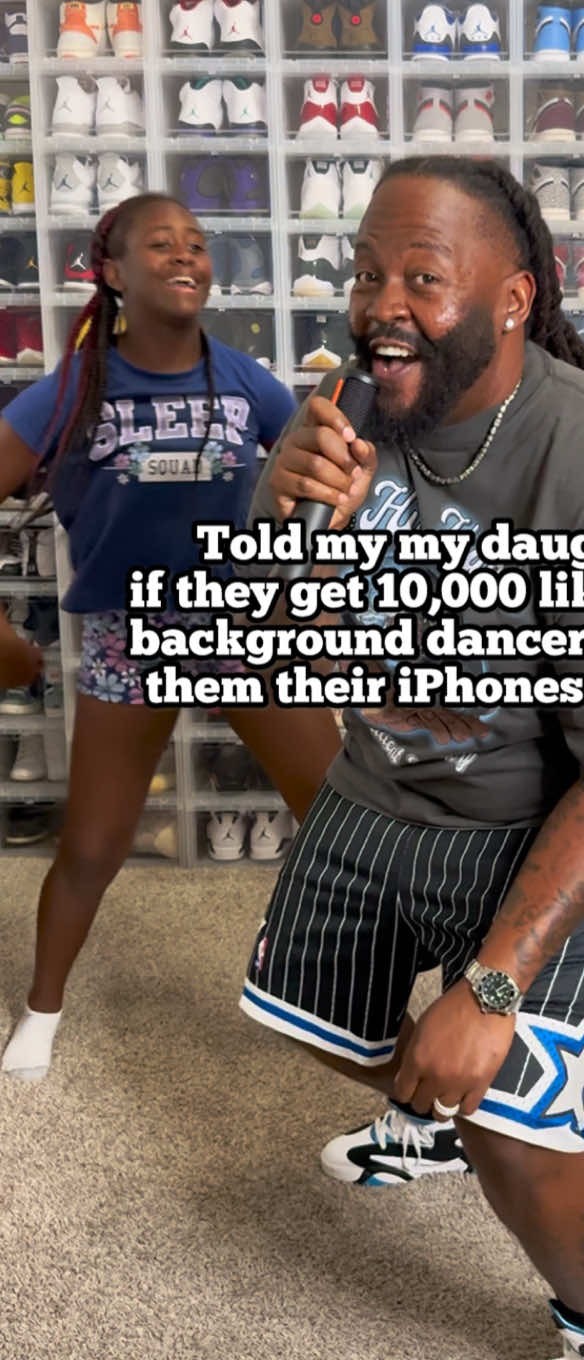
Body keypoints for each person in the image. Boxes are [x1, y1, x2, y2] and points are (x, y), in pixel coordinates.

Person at [238, 155, 584, 1360]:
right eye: (367, 274)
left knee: (510, 1110)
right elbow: (277, 642)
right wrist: (291, 537)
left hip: (583, 807)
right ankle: (436, 1118)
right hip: (395, 775)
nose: (380, 306)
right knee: (306, 1016)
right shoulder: (348, 412)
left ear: (514, 300)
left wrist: (493, 987)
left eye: (423, 278)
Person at [0, 193, 341, 1083]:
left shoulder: (247, 382)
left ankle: (339, 977)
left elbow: (323, 492)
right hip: (131, 636)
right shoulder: (69, 390)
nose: (187, 255)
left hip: (239, 622)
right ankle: (42, 1007)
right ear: (112, 271)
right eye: (161, 243)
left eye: (197, 243)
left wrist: (312, 600)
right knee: (92, 845)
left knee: (345, 815)